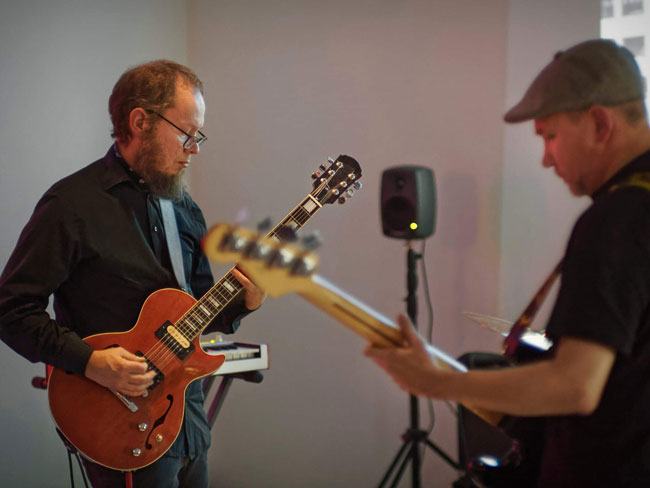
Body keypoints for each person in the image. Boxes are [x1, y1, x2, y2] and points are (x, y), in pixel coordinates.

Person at [365, 39, 650, 487]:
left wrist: (434, 383)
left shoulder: (616, 218)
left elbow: (575, 386)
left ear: (599, 123)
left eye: (550, 136)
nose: (546, 159)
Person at [0, 60, 266, 487]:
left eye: (198, 135)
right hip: (116, 421)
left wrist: (243, 302)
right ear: (140, 121)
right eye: (186, 133)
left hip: (187, 417)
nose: (194, 149)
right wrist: (91, 362)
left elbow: (198, 310)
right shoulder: (71, 205)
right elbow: (11, 311)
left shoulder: (184, 207)